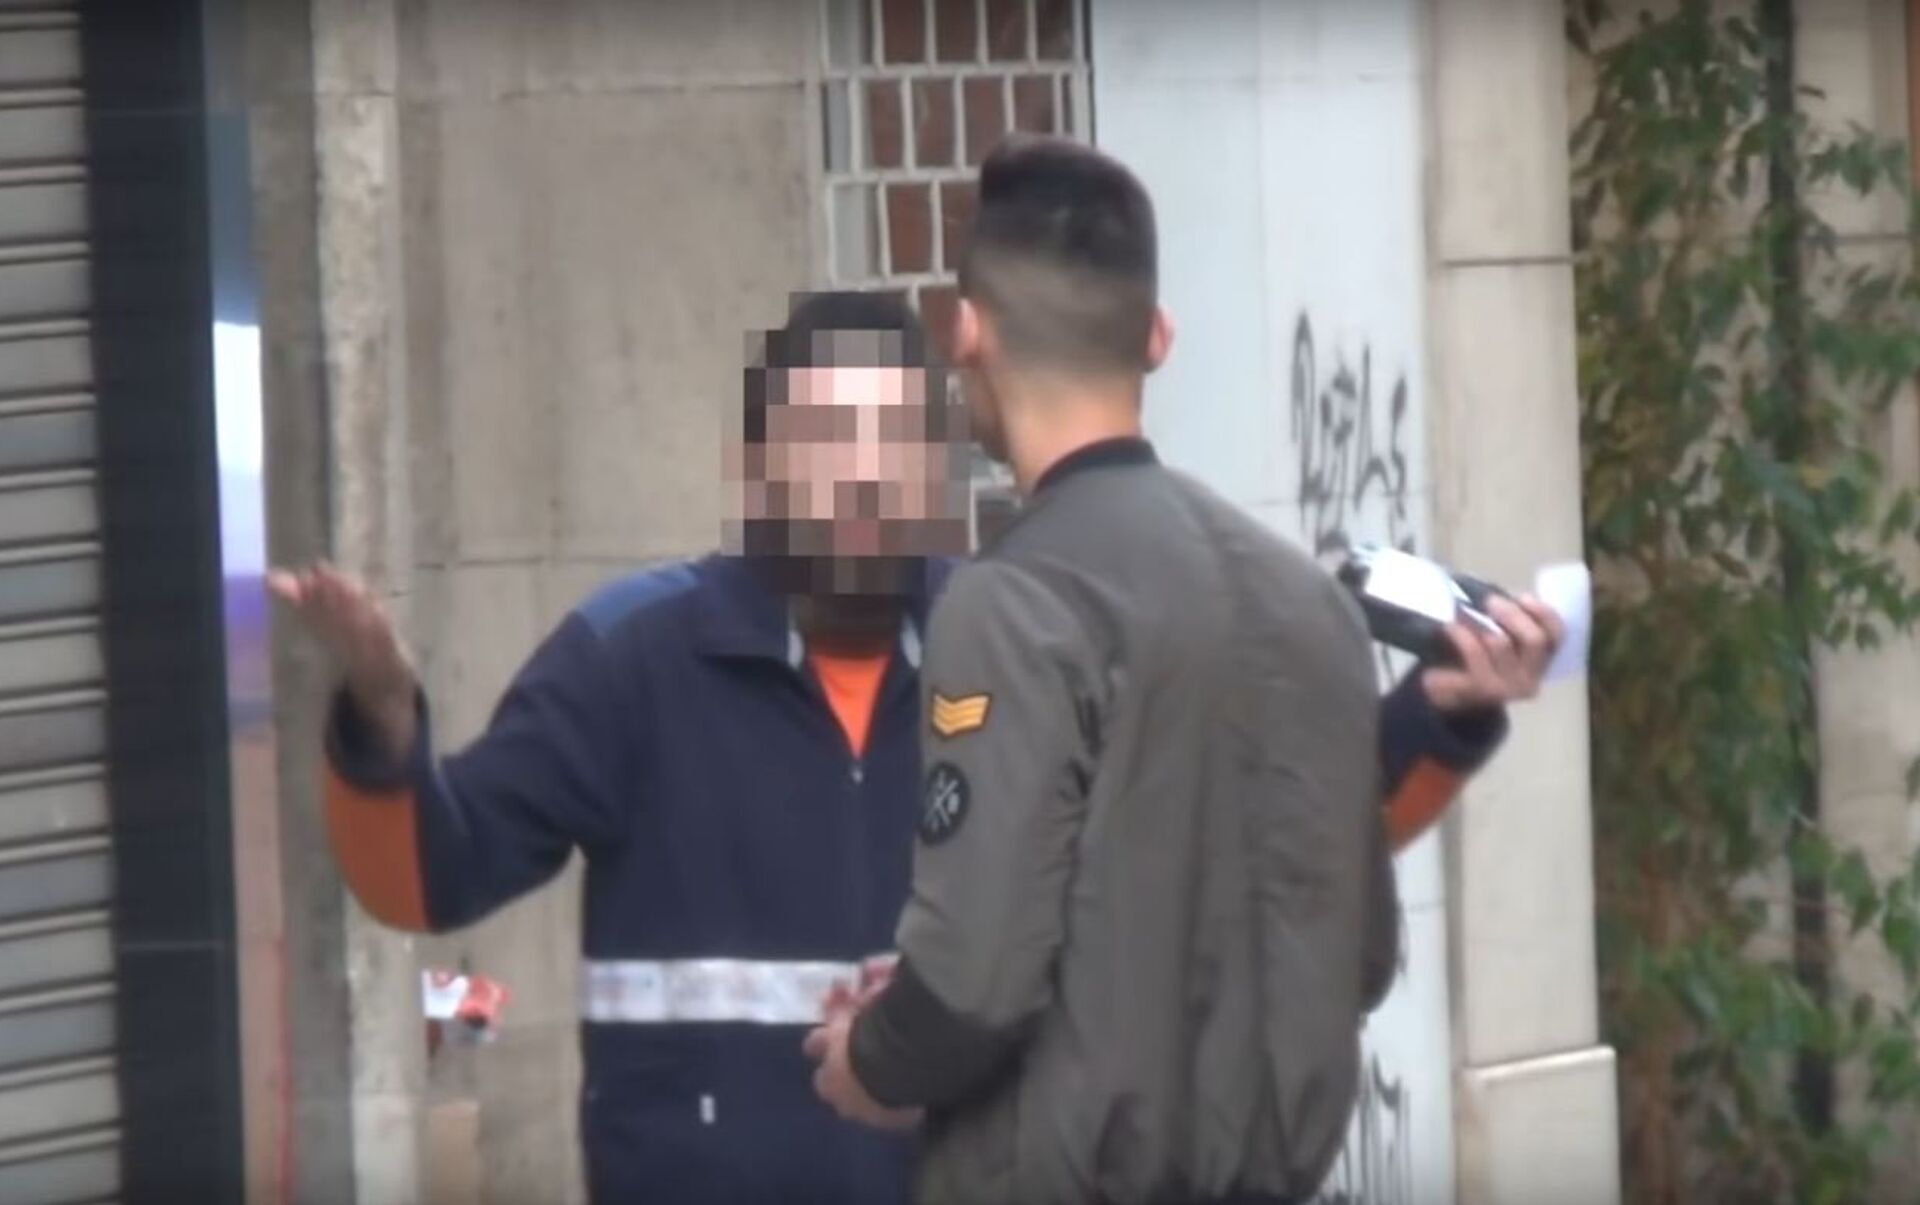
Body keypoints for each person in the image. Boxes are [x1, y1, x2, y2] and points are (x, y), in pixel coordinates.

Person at [275, 283, 1550, 1202]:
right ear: (756, 467)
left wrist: (1436, 714)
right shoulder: (631, 663)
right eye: (824, 448)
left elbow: (1255, 843)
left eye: (893, 448)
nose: (860, 484)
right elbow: (424, 878)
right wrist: (380, 715)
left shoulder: (1023, 644)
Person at [805, 137, 1562, 1205]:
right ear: (1156, 337)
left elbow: (974, 980)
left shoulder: (1011, 601)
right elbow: (1351, 950)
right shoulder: (1306, 600)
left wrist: (873, 1059)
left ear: (967, 332)